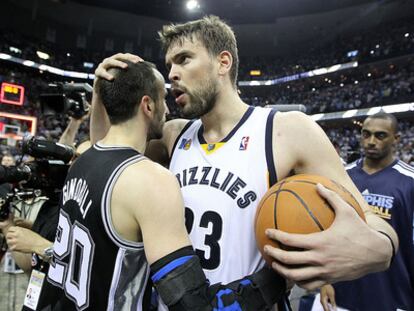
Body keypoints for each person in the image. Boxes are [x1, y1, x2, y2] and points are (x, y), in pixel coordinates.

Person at [91, 15, 398, 298]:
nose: (172, 73)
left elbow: (368, 218)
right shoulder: (174, 133)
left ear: (223, 62)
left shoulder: (286, 130)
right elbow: (108, 156)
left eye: (184, 59)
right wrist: (99, 93)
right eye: (169, 64)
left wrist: (382, 248)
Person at [47, 60, 286, 311]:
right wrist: (278, 279)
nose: (168, 111)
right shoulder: (149, 180)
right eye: (163, 99)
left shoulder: (82, 162)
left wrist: (99, 91)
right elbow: (195, 306)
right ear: (148, 105)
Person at [319, 113, 414, 311]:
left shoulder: (409, 181)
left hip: (392, 297)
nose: (371, 141)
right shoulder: (342, 175)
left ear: (396, 138)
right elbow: (326, 231)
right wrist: (325, 281)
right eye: (366, 134)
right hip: (341, 296)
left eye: (380, 136)